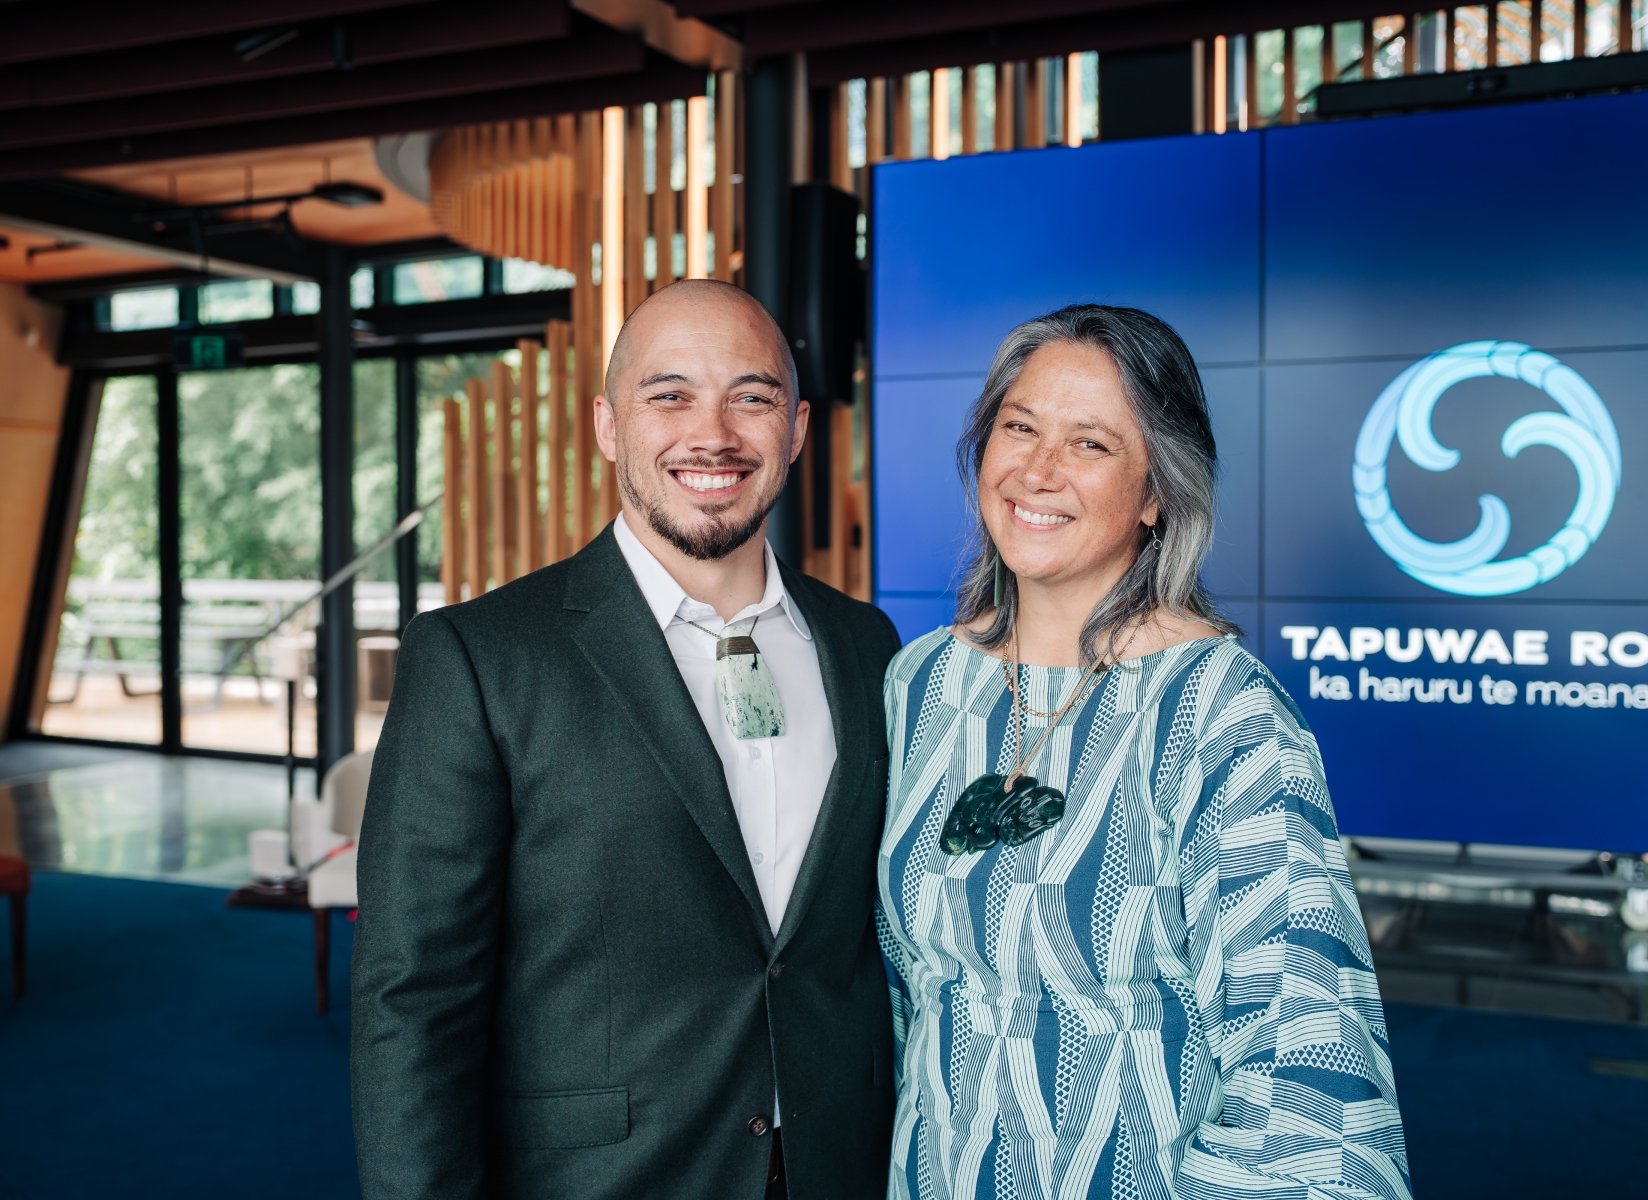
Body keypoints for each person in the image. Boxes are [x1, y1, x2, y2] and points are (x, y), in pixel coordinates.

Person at [351, 279, 901, 1200]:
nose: (713, 434)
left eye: (752, 397)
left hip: (844, 1167)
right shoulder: (479, 657)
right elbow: (413, 997)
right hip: (605, 1177)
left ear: (797, 429)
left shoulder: (867, 645)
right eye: (670, 395)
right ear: (609, 426)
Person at [877, 305, 1410, 1200]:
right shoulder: (922, 682)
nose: (1038, 470)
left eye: (1090, 444)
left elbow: (1303, 1060)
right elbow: (902, 1002)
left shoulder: (1220, 711)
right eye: (1019, 427)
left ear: (1157, 493)